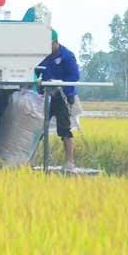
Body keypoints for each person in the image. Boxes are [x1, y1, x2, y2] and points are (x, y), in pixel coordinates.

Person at [36, 28, 81, 170]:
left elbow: (74, 77)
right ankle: (30, 158)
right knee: (37, 127)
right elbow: (35, 71)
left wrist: (57, 87)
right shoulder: (42, 56)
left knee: (64, 129)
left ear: (55, 43)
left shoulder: (67, 56)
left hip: (63, 98)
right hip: (45, 97)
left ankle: (69, 161)